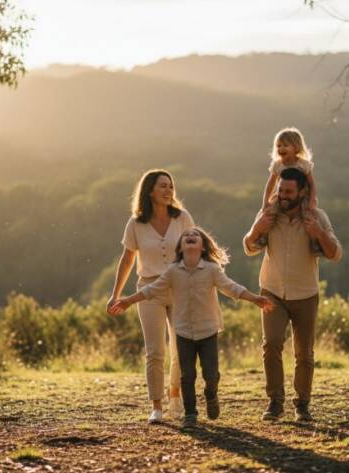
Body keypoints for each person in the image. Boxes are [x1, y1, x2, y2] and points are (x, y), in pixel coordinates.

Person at [111, 227, 273, 428]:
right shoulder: (172, 271)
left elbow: (232, 288)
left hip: (208, 330)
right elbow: (151, 290)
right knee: (187, 375)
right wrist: (128, 300)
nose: (190, 236)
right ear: (180, 247)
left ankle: (211, 394)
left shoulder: (212, 270)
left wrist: (255, 298)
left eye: (195, 236)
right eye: (186, 236)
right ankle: (190, 413)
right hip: (183, 332)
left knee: (211, 374)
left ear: (203, 247)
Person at [243, 167, 342, 422]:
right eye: (280, 190)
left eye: (289, 191)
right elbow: (249, 248)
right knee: (272, 344)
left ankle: (303, 404)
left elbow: (335, 253)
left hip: (305, 293)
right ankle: (275, 402)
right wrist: (256, 229)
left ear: (302, 192)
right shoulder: (268, 214)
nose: (283, 195)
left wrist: (318, 233)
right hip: (272, 291)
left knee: (304, 352)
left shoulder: (317, 217)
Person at [106, 169, 194, 423]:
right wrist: (116, 295)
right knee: (155, 351)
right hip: (148, 291)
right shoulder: (136, 223)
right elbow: (126, 261)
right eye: (162, 186)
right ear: (150, 191)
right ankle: (156, 405)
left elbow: (195, 248)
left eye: (171, 186)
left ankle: (175, 393)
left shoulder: (183, 218)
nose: (168, 190)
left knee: (181, 348)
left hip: (180, 288)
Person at [257, 127, 321, 254]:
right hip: (281, 195)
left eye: (285, 145)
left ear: (296, 147)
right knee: (269, 213)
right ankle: (262, 236)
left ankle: (315, 243)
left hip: (303, 196)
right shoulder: (278, 165)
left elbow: (312, 184)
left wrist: (312, 200)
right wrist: (265, 202)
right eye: (279, 145)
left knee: (309, 216)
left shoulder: (303, 164)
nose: (281, 149)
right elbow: (270, 185)